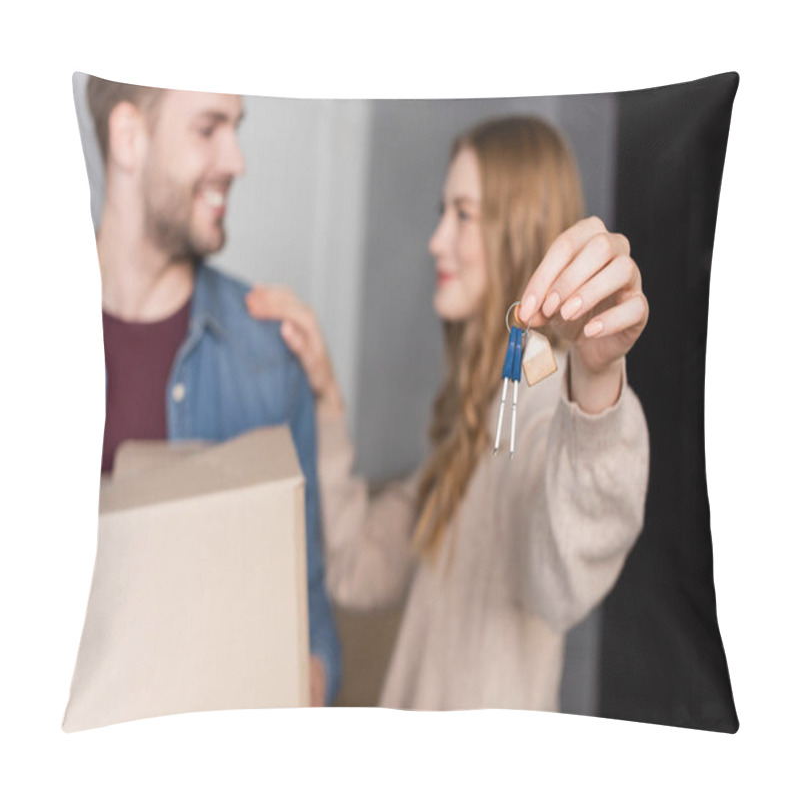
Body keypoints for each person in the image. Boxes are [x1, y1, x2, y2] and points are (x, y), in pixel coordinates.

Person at [245, 115, 650, 711]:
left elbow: (567, 577)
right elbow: (360, 565)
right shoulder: (472, 422)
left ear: (520, 227)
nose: (436, 240)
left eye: (462, 214)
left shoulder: (543, 408)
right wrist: (328, 399)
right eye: (444, 211)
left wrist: (594, 379)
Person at [85, 75, 340, 706]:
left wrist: (301, 681)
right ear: (128, 137)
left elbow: (311, 627)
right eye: (208, 129)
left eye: (238, 127)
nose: (237, 161)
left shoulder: (268, 355)